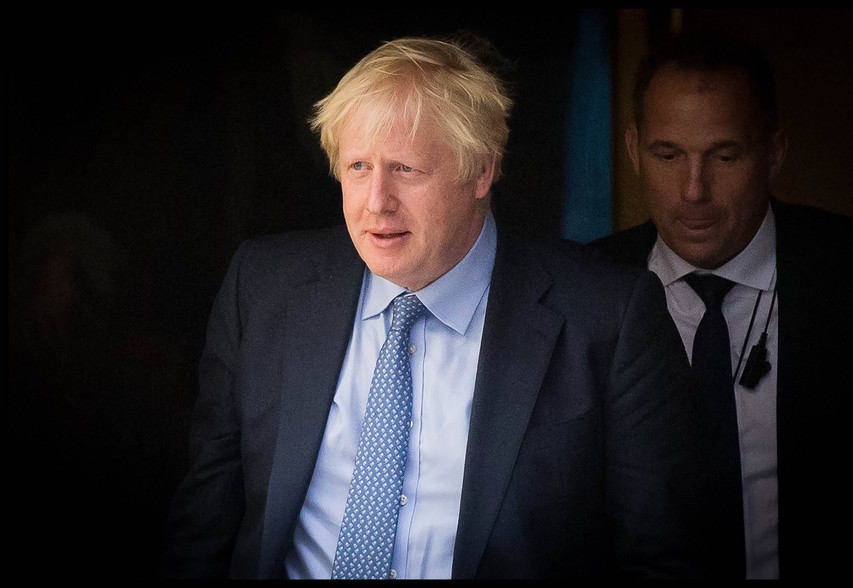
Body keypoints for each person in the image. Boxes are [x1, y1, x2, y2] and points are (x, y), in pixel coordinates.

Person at [160, 32, 706, 580]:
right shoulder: (263, 288)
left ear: (482, 171)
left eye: (405, 169)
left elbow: (658, 557)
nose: (377, 202)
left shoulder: (609, 316)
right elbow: (205, 523)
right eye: (357, 168)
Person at [585, 30, 853, 580]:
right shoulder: (584, 289)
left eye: (725, 156)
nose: (694, 190)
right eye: (668, 155)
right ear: (633, 151)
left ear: (774, 153)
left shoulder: (852, 275)